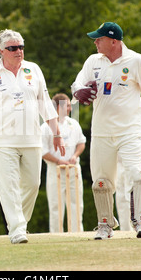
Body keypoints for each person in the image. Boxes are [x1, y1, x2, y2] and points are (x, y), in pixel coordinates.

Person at [71, 22, 141, 239]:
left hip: (130, 131)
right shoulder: (93, 61)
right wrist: (79, 92)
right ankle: (105, 225)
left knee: (139, 175)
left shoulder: (136, 61)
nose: (95, 42)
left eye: (99, 39)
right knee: (101, 182)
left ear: (114, 40)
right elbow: (77, 83)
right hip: (101, 132)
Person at [0, 29, 65, 244]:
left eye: (21, 47)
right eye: (13, 48)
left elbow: (44, 101)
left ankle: (18, 224)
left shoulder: (33, 69)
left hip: (32, 138)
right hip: (4, 139)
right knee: (9, 185)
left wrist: (56, 133)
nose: (18, 51)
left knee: (33, 184)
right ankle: (17, 230)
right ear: (1, 51)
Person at [41, 93, 86, 232]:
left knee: (76, 204)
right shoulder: (46, 127)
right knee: (56, 204)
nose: (69, 109)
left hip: (73, 169)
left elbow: (81, 143)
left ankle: (77, 233)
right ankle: (56, 234)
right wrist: (58, 160)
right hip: (56, 170)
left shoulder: (74, 124)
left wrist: (75, 156)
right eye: (67, 106)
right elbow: (43, 151)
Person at [115, 117, 141, 231]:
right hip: (119, 164)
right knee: (121, 198)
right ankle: (125, 230)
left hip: (136, 164)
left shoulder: (140, 119)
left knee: (138, 198)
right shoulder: (116, 119)